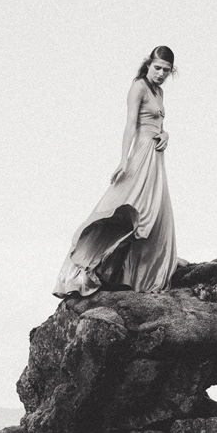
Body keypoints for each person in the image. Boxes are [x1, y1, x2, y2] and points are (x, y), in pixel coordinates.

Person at [53, 46, 178, 298]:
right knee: (127, 208)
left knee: (154, 215)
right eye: (157, 68)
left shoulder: (159, 92)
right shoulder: (138, 88)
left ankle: (136, 276)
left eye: (166, 70)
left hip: (156, 158)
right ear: (148, 64)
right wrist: (124, 160)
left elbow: (159, 125)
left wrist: (166, 134)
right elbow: (131, 125)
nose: (161, 74)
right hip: (141, 154)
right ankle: (85, 271)